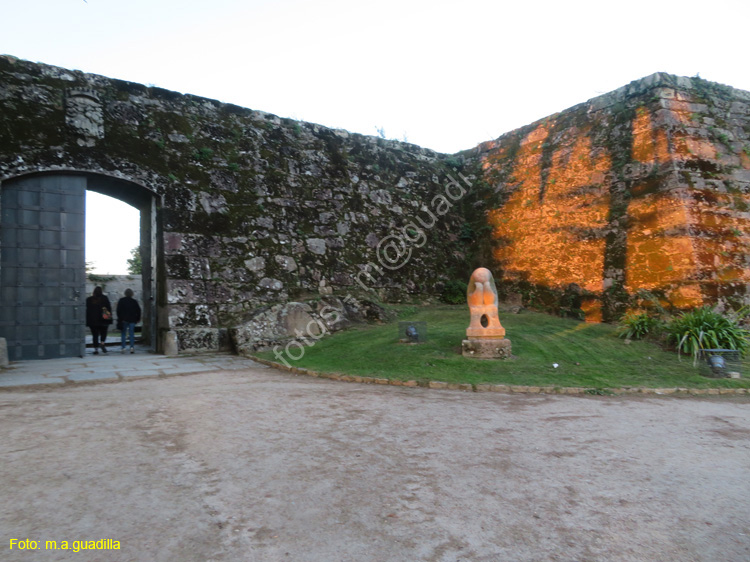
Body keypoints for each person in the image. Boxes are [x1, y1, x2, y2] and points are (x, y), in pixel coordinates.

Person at [85, 286, 113, 355]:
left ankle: (96, 349)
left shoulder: (89, 300)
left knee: (95, 335)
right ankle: (102, 343)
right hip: (103, 320)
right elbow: (108, 308)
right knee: (104, 332)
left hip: (93, 321)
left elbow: (87, 310)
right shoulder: (105, 298)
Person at [116, 288, 142, 354]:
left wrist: (119, 318)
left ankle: (123, 347)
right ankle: (132, 347)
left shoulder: (121, 300)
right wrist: (138, 318)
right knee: (131, 334)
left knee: (123, 333)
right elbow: (138, 310)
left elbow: (118, 310)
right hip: (132, 319)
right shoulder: (134, 301)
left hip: (124, 319)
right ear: (132, 294)